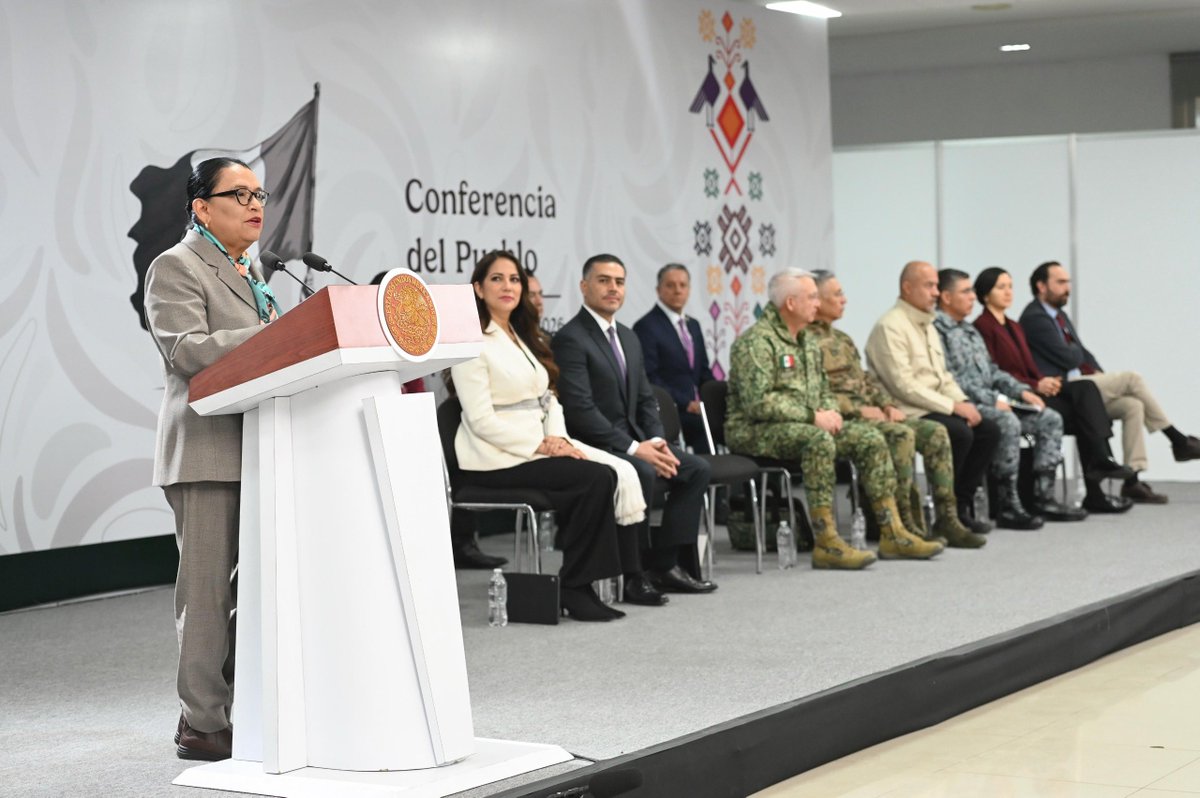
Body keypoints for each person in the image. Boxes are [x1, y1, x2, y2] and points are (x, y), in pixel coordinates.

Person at [145, 157, 280, 761]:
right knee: (206, 597)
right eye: (240, 194)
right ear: (202, 207)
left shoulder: (254, 270)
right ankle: (202, 723)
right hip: (205, 452)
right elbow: (190, 353)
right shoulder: (174, 267)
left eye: (260, 193)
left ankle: (247, 705)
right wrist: (283, 334)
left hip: (265, 448)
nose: (255, 204)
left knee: (257, 589)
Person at [449, 251, 664, 620]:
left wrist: (558, 439)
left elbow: (550, 400)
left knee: (607, 474)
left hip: (538, 447)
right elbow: (480, 420)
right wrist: (540, 444)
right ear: (478, 289)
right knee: (594, 478)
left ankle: (581, 585)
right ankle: (576, 587)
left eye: (514, 279)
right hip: (493, 458)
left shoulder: (522, 336)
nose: (508, 287)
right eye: (497, 279)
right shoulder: (470, 341)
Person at [726, 268, 943, 567]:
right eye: (812, 297)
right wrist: (813, 417)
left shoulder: (806, 341)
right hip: (756, 430)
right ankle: (826, 540)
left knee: (869, 438)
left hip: (801, 424)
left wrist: (830, 413)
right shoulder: (756, 343)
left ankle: (892, 532)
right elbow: (758, 403)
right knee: (817, 440)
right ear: (790, 303)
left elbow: (823, 390)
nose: (817, 303)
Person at [552, 254, 717, 596]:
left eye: (619, 282)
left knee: (696, 468)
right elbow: (581, 410)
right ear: (584, 287)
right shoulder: (571, 338)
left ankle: (665, 565)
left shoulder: (628, 336)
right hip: (594, 443)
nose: (613, 288)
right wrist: (635, 448)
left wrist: (656, 440)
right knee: (640, 472)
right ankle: (633, 575)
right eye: (603, 280)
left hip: (637, 440)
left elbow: (645, 398)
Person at [809, 270, 974, 545]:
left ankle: (947, 517)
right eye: (837, 294)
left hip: (872, 413)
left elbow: (865, 380)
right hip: (843, 418)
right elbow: (814, 393)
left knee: (935, 432)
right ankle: (902, 521)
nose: (845, 300)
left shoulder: (842, 340)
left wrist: (885, 403)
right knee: (901, 435)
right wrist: (856, 410)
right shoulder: (806, 342)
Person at [1021, 261, 1200, 504]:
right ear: (1041, 286)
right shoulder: (1035, 318)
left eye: (1068, 282)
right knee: (1132, 379)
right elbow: (1070, 355)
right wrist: (1075, 351)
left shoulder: (1059, 316)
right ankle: (1177, 439)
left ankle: (1132, 481)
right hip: (1063, 390)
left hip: (1084, 386)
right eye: (1060, 282)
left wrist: (1094, 368)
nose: (1067, 288)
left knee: (1132, 406)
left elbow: (1083, 353)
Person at [972, 267, 1134, 514]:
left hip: (1031, 388)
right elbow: (995, 371)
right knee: (1082, 408)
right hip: (1013, 396)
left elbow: (1028, 365)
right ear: (985, 294)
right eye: (1000, 287)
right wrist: (1035, 384)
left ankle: (1096, 485)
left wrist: (1042, 380)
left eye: (1010, 286)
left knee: (1086, 396)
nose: (1008, 293)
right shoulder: (983, 327)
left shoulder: (1014, 326)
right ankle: (1087, 476)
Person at [934, 269, 1079, 528]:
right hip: (964, 403)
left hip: (992, 398)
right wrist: (993, 400)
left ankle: (1042, 496)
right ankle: (1007, 503)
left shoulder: (968, 330)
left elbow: (992, 371)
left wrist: (1021, 390)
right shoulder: (937, 331)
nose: (972, 297)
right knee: (1007, 421)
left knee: (1049, 419)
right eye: (965, 292)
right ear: (946, 297)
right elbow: (951, 379)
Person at [865, 261, 996, 545]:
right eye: (929, 286)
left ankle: (958, 509)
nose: (936, 293)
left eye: (937, 286)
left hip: (934, 404)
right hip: (907, 409)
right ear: (907, 288)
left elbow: (943, 376)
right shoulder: (891, 326)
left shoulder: (927, 323)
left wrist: (962, 401)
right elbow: (903, 385)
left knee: (988, 429)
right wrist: (952, 408)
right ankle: (944, 514)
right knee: (959, 432)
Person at [633, 264, 715, 453]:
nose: (677, 291)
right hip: (670, 409)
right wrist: (687, 403)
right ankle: (710, 481)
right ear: (658, 289)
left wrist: (710, 401)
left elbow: (703, 371)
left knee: (725, 421)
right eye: (670, 285)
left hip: (697, 409)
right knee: (702, 428)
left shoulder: (693, 325)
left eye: (682, 285)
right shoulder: (646, 326)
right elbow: (650, 377)